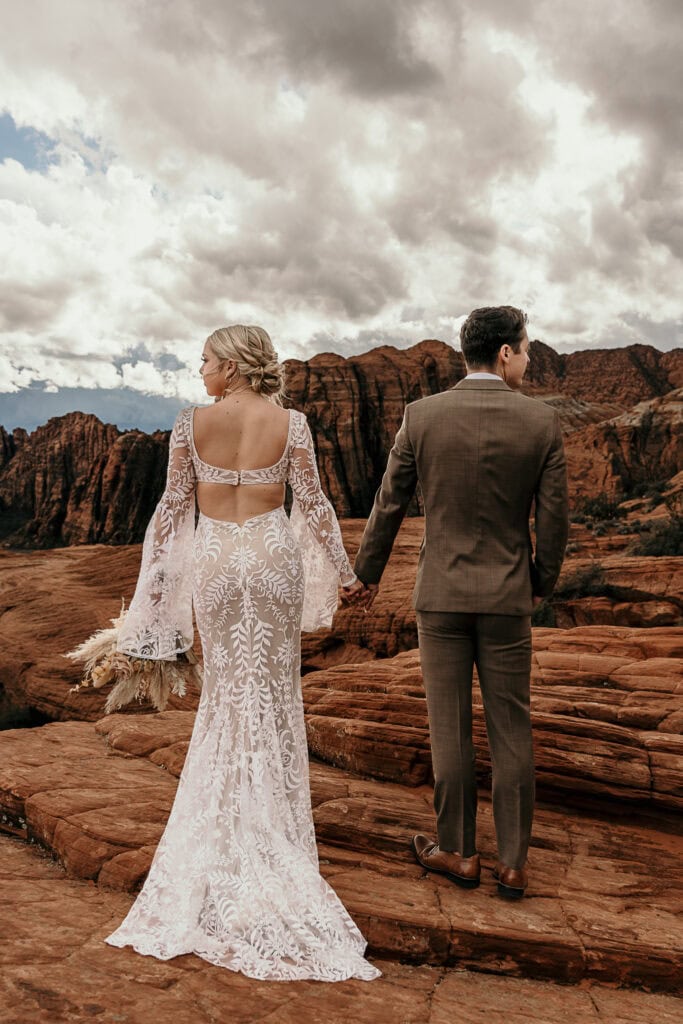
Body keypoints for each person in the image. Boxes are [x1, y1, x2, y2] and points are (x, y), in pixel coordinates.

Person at [105, 324, 379, 981]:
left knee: (226, 695)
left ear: (230, 365)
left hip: (219, 560)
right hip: (271, 554)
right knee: (275, 693)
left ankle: (224, 836)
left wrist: (153, 596)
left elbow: (171, 510)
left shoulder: (188, 423)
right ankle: (274, 839)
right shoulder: (293, 423)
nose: (200, 370)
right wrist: (346, 575)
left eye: (205, 360)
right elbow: (312, 504)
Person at [351, 306, 569, 899]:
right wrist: (539, 582)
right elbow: (553, 521)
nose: (527, 359)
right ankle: (515, 864)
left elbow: (389, 503)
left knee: (449, 728)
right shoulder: (541, 423)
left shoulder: (422, 417)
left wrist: (365, 574)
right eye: (525, 349)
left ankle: (459, 853)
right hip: (508, 598)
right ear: (504, 353)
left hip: (440, 598)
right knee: (511, 729)